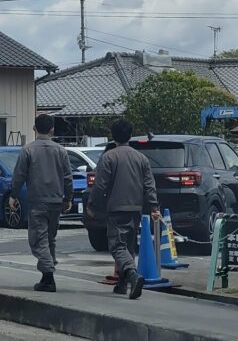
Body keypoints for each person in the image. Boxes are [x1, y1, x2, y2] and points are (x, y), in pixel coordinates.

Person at [89, 119, 159, 300]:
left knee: (117, 246)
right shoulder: (141, 158)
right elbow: (149, 185)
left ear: (113, 136)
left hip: (116, 207)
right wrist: (153, 206)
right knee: (128, 246)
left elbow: (100, 186)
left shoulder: (109, 157)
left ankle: (132, 274)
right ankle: (122, 284)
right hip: (136, 208)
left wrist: (93, 205)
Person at [10, 113, 73, 292]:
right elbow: (67, 177)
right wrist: (68, 198)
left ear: (34, 129)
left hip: (37, 200)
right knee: (50, 239)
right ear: (52, 129)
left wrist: (13, 195)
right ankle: (46, 277)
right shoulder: (61, 150)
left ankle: (49, 274)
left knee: (38, 239)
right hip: (56, 200)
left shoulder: (28, 150)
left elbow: (19, 175)